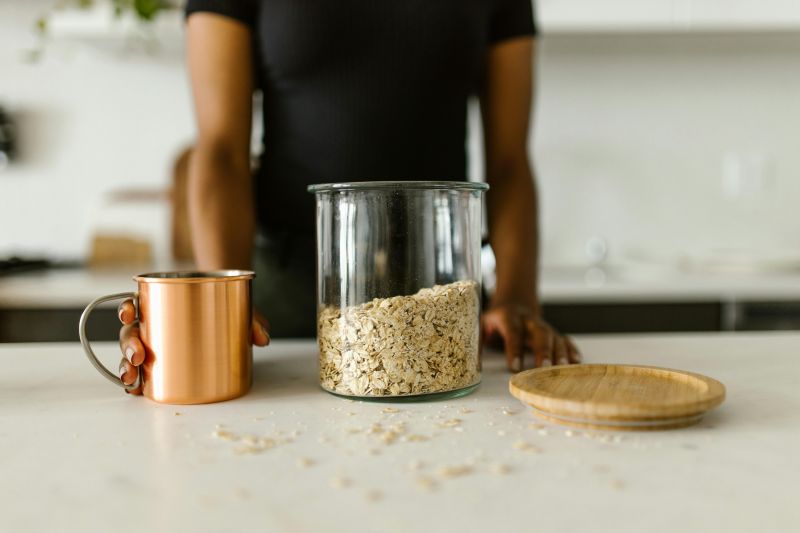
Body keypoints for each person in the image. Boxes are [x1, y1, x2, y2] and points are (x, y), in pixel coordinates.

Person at [117, 0, 581, 395]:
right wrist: (219, 302)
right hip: (285, 289)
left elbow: (509, 161)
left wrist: (517, 297)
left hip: (440, 297)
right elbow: (220, 150)